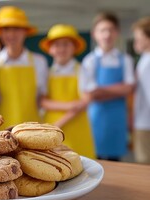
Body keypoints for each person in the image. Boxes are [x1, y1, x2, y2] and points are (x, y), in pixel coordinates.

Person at [80, 12, 135, 161]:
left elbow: (129, 88)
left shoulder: (126, 59)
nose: (107, 34)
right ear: (94, 34)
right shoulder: (89, 60)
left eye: (111, 29)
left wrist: (101, 90)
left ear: (117, 32)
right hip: (95, 118)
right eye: (102, 30)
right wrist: (119, 89)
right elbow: (90, 94)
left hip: (118, 118)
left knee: (116, 162)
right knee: (93, 160)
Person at [39, 24, 95, 158]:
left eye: (66, 44)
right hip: (52, 128)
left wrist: (59, 123)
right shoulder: (47, 72)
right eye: (57, 45)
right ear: (50, 49)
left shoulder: (82, 70)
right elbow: (42, 101)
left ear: (74, 48)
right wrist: (70, 105)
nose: (61, 48)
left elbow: (85, 102)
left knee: (80, 164)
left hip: (76, 127)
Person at [0, 6, 49, 129]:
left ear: (25, 32)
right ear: (0, 33)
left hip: (32, 130)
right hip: (1, 131)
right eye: (6, 29)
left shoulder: (39, 62)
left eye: (16, 29)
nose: (11, 34)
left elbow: (42, 99)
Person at [132, 17, 150, 164]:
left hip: (146, 124)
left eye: (139, 37)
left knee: (144, 165)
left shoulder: (148, 62)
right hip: (143, 121)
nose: (135, 41)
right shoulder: (144, 59)